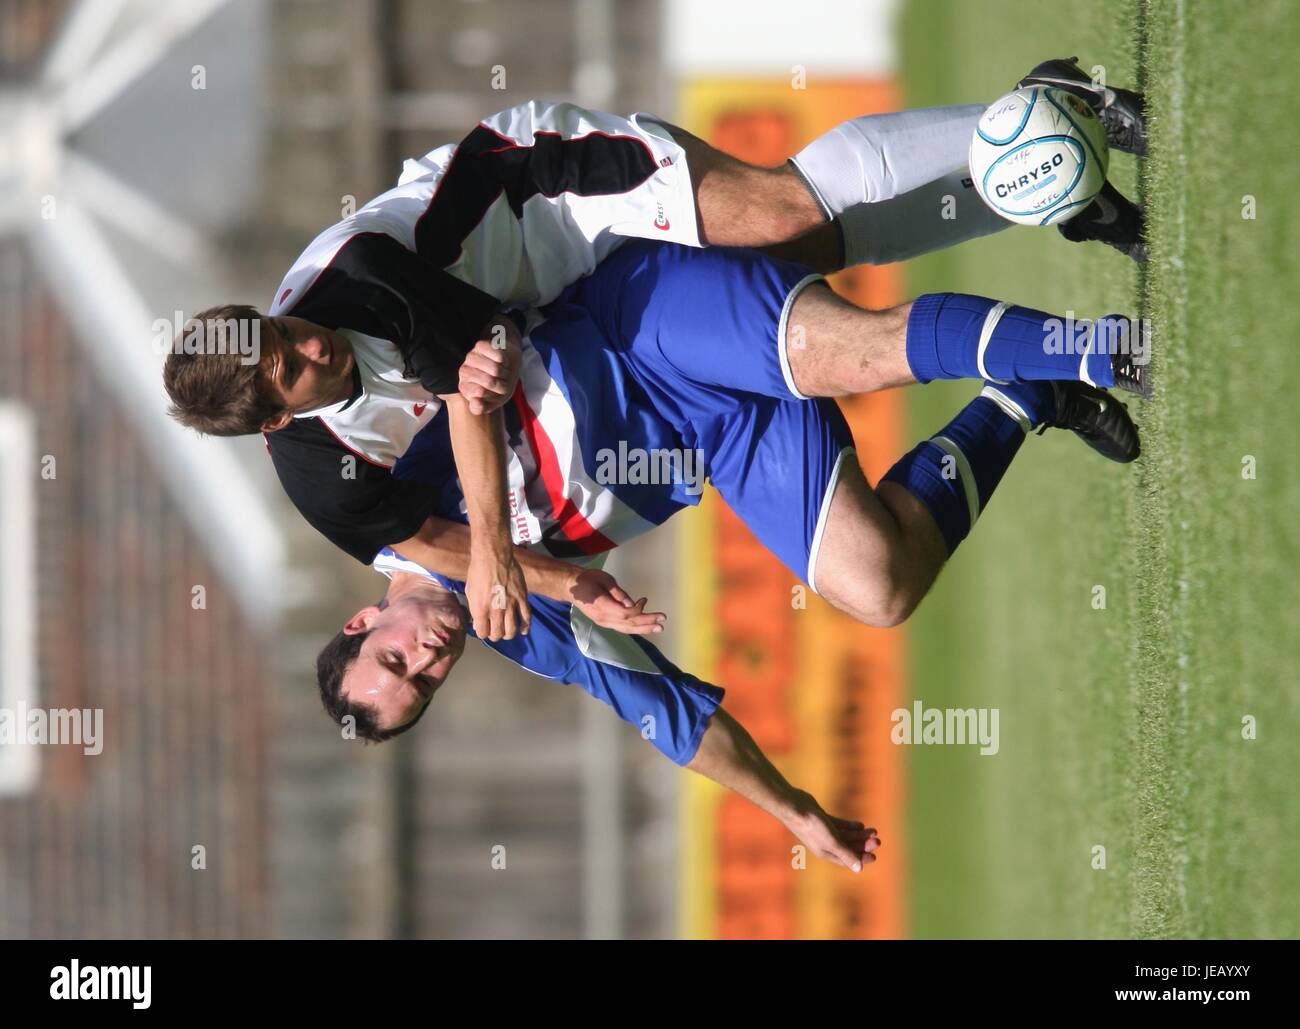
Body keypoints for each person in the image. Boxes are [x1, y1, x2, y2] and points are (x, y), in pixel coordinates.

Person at [163, 57, 1148, 641]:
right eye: (286, 367)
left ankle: (1043, 122)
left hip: (544, 195)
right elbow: (428, 544)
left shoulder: (353, 276)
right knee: (875, 582)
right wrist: (551, 582)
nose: (305, 342)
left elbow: (469, 388)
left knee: (781, 212)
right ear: (279, 419)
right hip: (561, 311)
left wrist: (504, 557)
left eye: (276, 329)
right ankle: (1039, 194)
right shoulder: (318, 477)